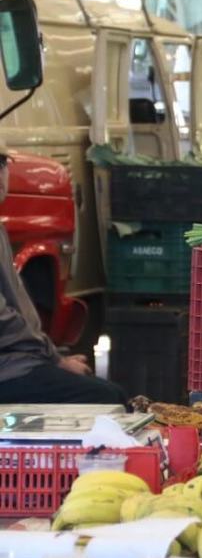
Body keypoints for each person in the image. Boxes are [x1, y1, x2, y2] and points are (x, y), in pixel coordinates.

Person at [0, 151, 126, 405]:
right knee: (109, 399)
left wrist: (53, 357)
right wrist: (55, 359)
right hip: (8, 370)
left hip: (18, 363)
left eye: (1, 163)